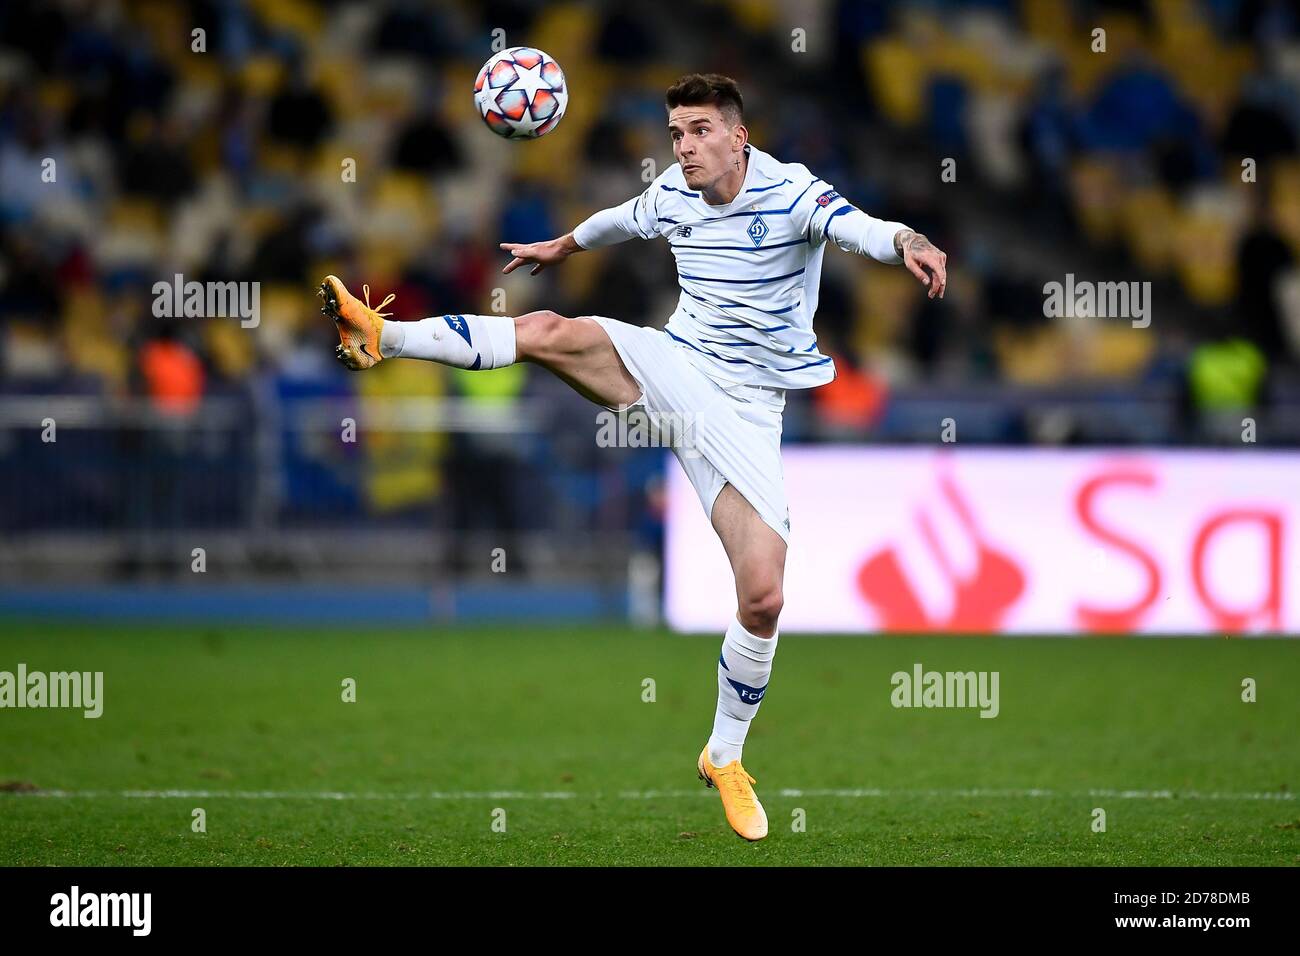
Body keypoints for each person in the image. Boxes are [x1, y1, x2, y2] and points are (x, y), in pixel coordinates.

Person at [319, 73, 947, 841]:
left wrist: (911, 242)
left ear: (737, 137)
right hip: (676, 367)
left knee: (763, 599)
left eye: (700, 132)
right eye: (677, 133)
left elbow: (862, 228)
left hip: (749, 412)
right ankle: (385, 336)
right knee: (551, 329)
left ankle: (724, 755)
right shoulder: (673, 194)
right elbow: (623, 218)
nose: (684, 148)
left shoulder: (790, 194)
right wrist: (564, 243)